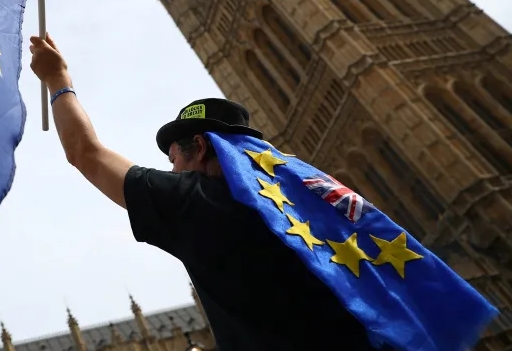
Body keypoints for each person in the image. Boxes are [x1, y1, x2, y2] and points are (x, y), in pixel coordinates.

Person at [28, 33, 382, 350]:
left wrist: (57, 79)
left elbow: (85, 154)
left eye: (173, 159)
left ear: (198, 147)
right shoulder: (313, 200)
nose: (172, 172)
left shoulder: (205, 204)